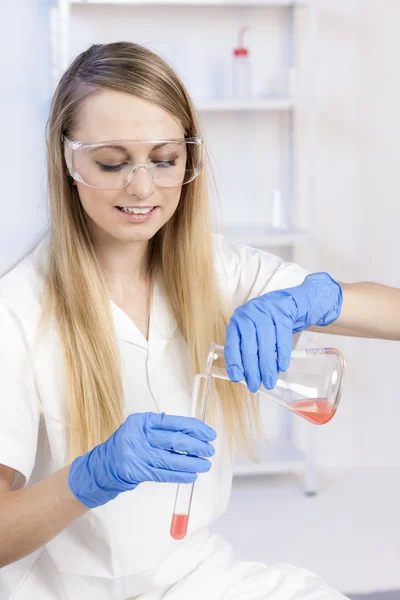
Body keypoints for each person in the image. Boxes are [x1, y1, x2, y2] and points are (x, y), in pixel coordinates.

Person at [0, 42, 399, 600]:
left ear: (191, 158)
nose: (142, 187)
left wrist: (319, 298)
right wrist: (90, 477)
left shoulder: (215, 271)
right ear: (67, 162)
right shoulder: (17, 311)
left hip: (196, 578)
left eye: (164, 159)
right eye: (112, 162)